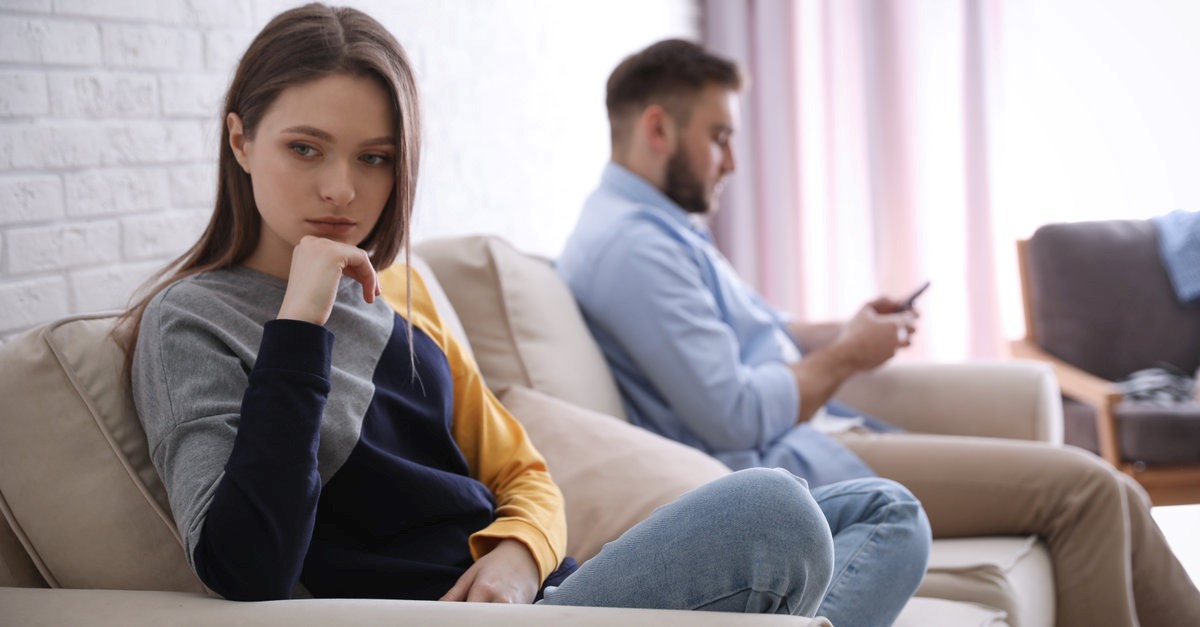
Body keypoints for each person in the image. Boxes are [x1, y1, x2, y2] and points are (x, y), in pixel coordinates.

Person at [118, 5, 835, 617]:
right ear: (240, 140)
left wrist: (519, 556)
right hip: (441, 617)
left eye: (375, 158)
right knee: (775, 512)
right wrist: (300, 321)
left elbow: (526, 474)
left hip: (541, 597)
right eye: (305, 149)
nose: (341, 189)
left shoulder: (403, 290)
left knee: (877, 515)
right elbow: (248, 569)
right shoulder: (190, 321)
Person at [558, 38, 1200, 627]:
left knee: (1112, 486)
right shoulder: (633, 248)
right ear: (658, 128)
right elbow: (734, 413)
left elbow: (761, 331)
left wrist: (851, 329)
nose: (730, 162)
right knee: (1086, 487)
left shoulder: (654, 227)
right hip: (779, 460)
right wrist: (845, 357)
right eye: (720, 137)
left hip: (809, 439)